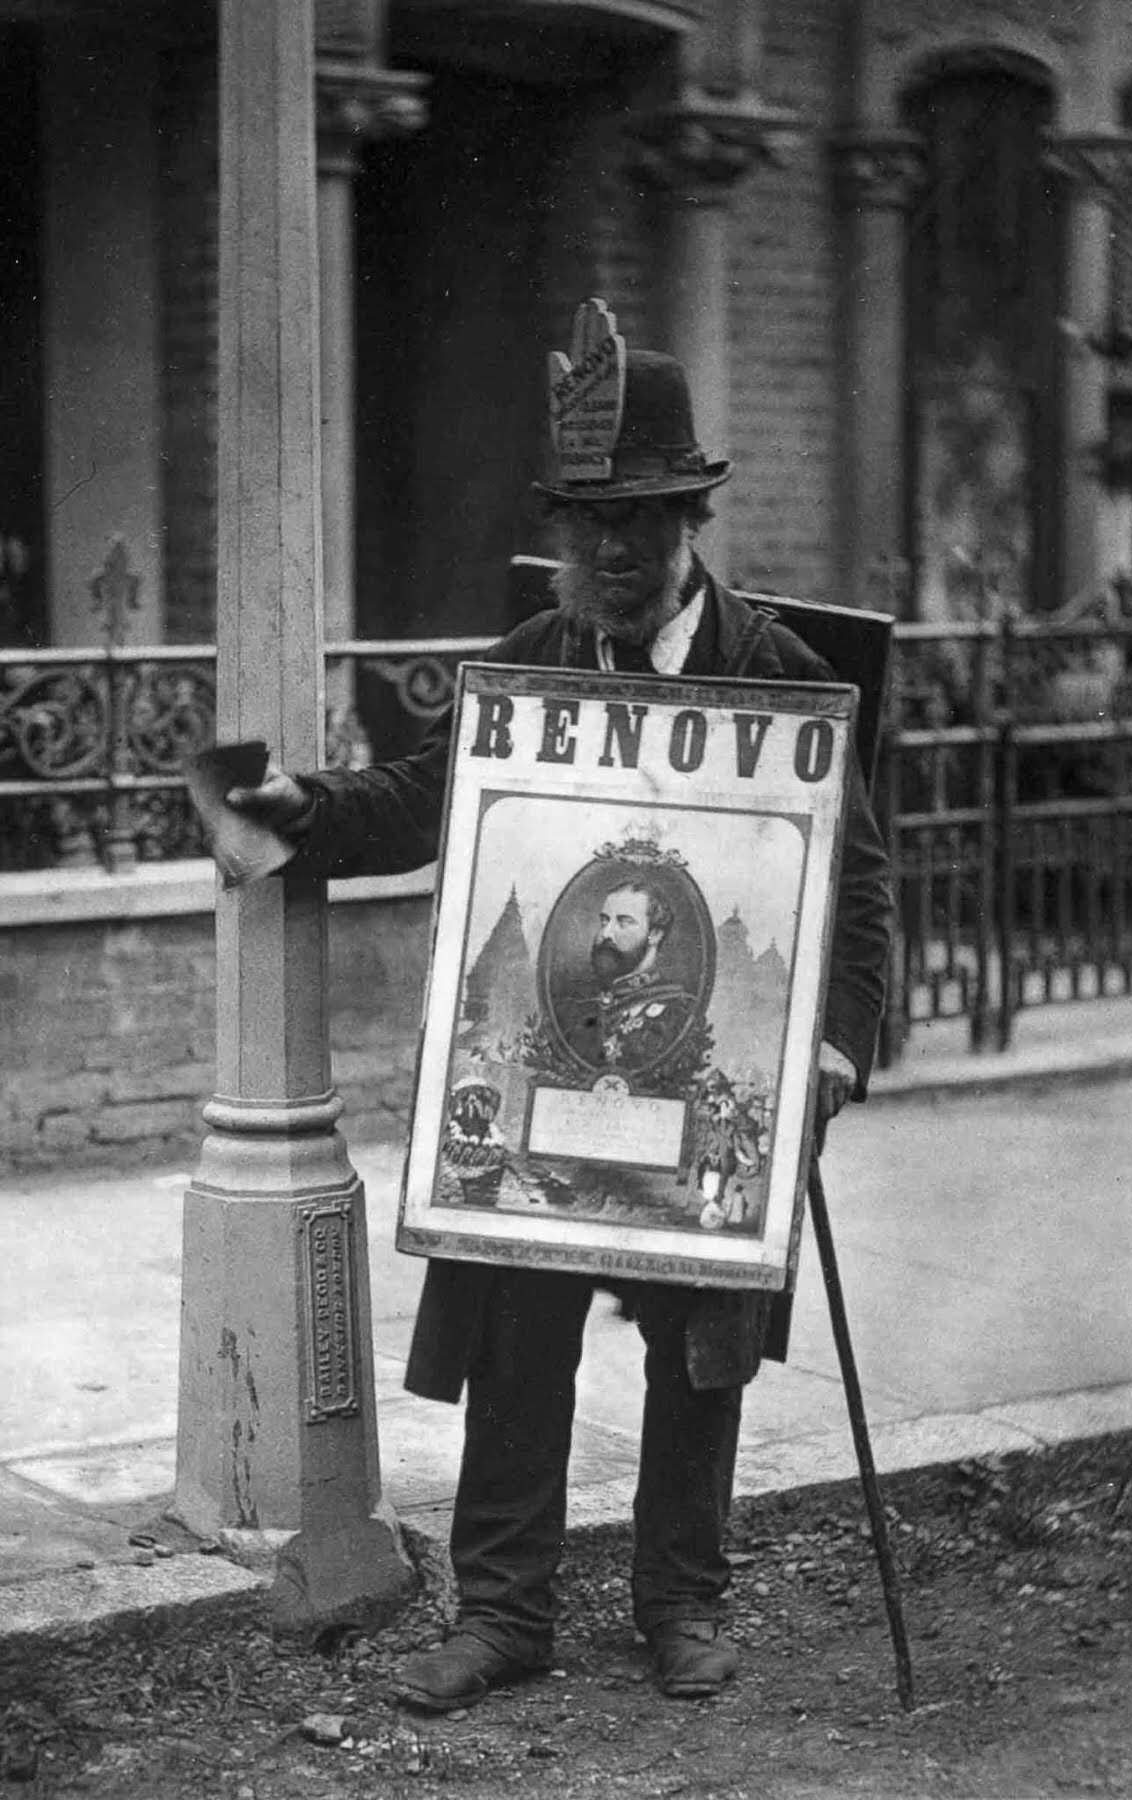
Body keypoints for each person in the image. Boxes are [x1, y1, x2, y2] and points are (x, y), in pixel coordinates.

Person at [224, 306, 893, 1713]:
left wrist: (834, 1048)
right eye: (588, 530)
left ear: (693, 524)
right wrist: (307, 809)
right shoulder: (538, 648)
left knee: (696, 1345)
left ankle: (681, 1608)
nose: (610, 558)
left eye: (639, 529)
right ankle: (506, 1617)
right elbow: (429, 796)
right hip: (553, 1071)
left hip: (704, 1074)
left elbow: (863, 889)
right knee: (519, 1331)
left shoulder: (774, 677)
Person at [555, 874, 699, 1077]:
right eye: (605, 921)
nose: (606, 934)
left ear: (655, 934)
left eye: (623, 922)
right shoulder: (579, 1007)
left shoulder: (678, 1013)